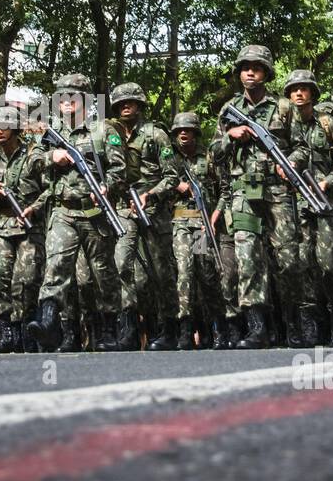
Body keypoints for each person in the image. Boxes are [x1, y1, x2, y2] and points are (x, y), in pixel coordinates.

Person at [29, 73, 128, 352]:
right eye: (62, 95)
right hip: (63, 211)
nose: (67, 100)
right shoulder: (50, 130)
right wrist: (52, 157)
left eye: (73, 95)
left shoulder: (103, 130)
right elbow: (32, 161)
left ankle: (108, 330)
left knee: (102, 272)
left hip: (95, 213)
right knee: (57, 265)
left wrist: (108, 188)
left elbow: (120, 170)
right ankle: (49, 322)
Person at [210, 45, 297, 349]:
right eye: (245, 68)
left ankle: (289, 323)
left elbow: (302, 146)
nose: (250, 72)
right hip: (242, 190)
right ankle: (256, 326)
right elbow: (214, 155)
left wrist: (292, 163)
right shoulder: (228, 111)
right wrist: (230, 138)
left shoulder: (284, 108)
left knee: (286, 258)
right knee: (248, 259)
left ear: (266, 72)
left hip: (277, 190)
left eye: (256, 68)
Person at [282, 69, 333, 347]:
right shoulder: (282, 127)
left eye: (304, 88)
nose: (299, 93)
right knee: (302, 264)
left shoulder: (329, 125)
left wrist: (327, 182)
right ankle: (312, 326)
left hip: (326, 203)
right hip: (295, 204)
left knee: (330, 264)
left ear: (312, 92)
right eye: (293, 89)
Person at [109, 83, 181, 350]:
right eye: (121, 103)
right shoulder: (110, 136)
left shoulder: (156, 134)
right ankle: (127, 329)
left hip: (154, 211)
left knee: (161, 272)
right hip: (124, 211)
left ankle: (169, 329)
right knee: (121, 265)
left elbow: (172, 177)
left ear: (140, 105)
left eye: (131, 102)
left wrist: (151, 194)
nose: (126, 106)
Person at [0, 105, 49, 354]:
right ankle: (6, 332)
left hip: (29, 228)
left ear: (14, 129)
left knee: (26, 281)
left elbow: (51, 188)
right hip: (2, 225)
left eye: (2, 127)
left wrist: (34, 207)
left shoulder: (34, 156)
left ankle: (26, 332)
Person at [170, 112, 224, 350]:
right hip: (181, 221)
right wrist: (176, 184)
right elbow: (155, 179)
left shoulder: (208, 157)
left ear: (195, 133)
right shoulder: (169, 157)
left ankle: (214, 328)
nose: (183, 133)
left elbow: (225, 189)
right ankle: (185, 329)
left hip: (202, 224)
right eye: (180, 130)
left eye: (188, 130)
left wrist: (214, 217)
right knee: (184, 273)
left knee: (206, 275)